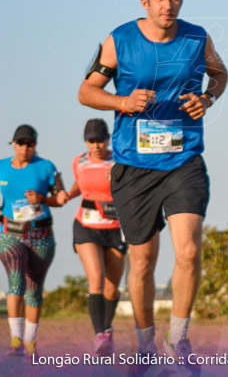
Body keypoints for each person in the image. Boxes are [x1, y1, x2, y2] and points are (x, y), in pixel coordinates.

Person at [77, 0, 228, 363]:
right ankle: (145, 347)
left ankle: (177, 339)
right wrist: (122, 102)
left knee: (189, 252)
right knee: (142, 260)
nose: (169, 4)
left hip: (184, 159)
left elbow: (220, 74)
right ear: (145, 3)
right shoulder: (120, 40)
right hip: (134, 165)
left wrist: (208, 99)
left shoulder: (197, 38)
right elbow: (87, 91)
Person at [0, 124, 66, 357]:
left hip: (41, 235)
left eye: (30, 144)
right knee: (16, 279)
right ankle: (15, 339)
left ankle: (30, 341)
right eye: (21, 143)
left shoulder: (46, 167)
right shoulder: (1, 168)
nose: (26, 148)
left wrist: (43, 199)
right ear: (13, 144)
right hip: (10, 234)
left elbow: (61, 198)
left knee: (34, 289)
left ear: (35, 145)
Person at [63, 118, 126, 356]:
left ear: (108, 140)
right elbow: (80, 184)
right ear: (85, 141)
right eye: (91, 141)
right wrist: (67, 195)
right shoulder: (78, 161)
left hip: (115, 227)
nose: (96, 145)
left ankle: (107, 329)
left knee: (112, 289)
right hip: (85, 225)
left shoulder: (119, 160)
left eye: (100, 140)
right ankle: (99, 335)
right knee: (96, 278)